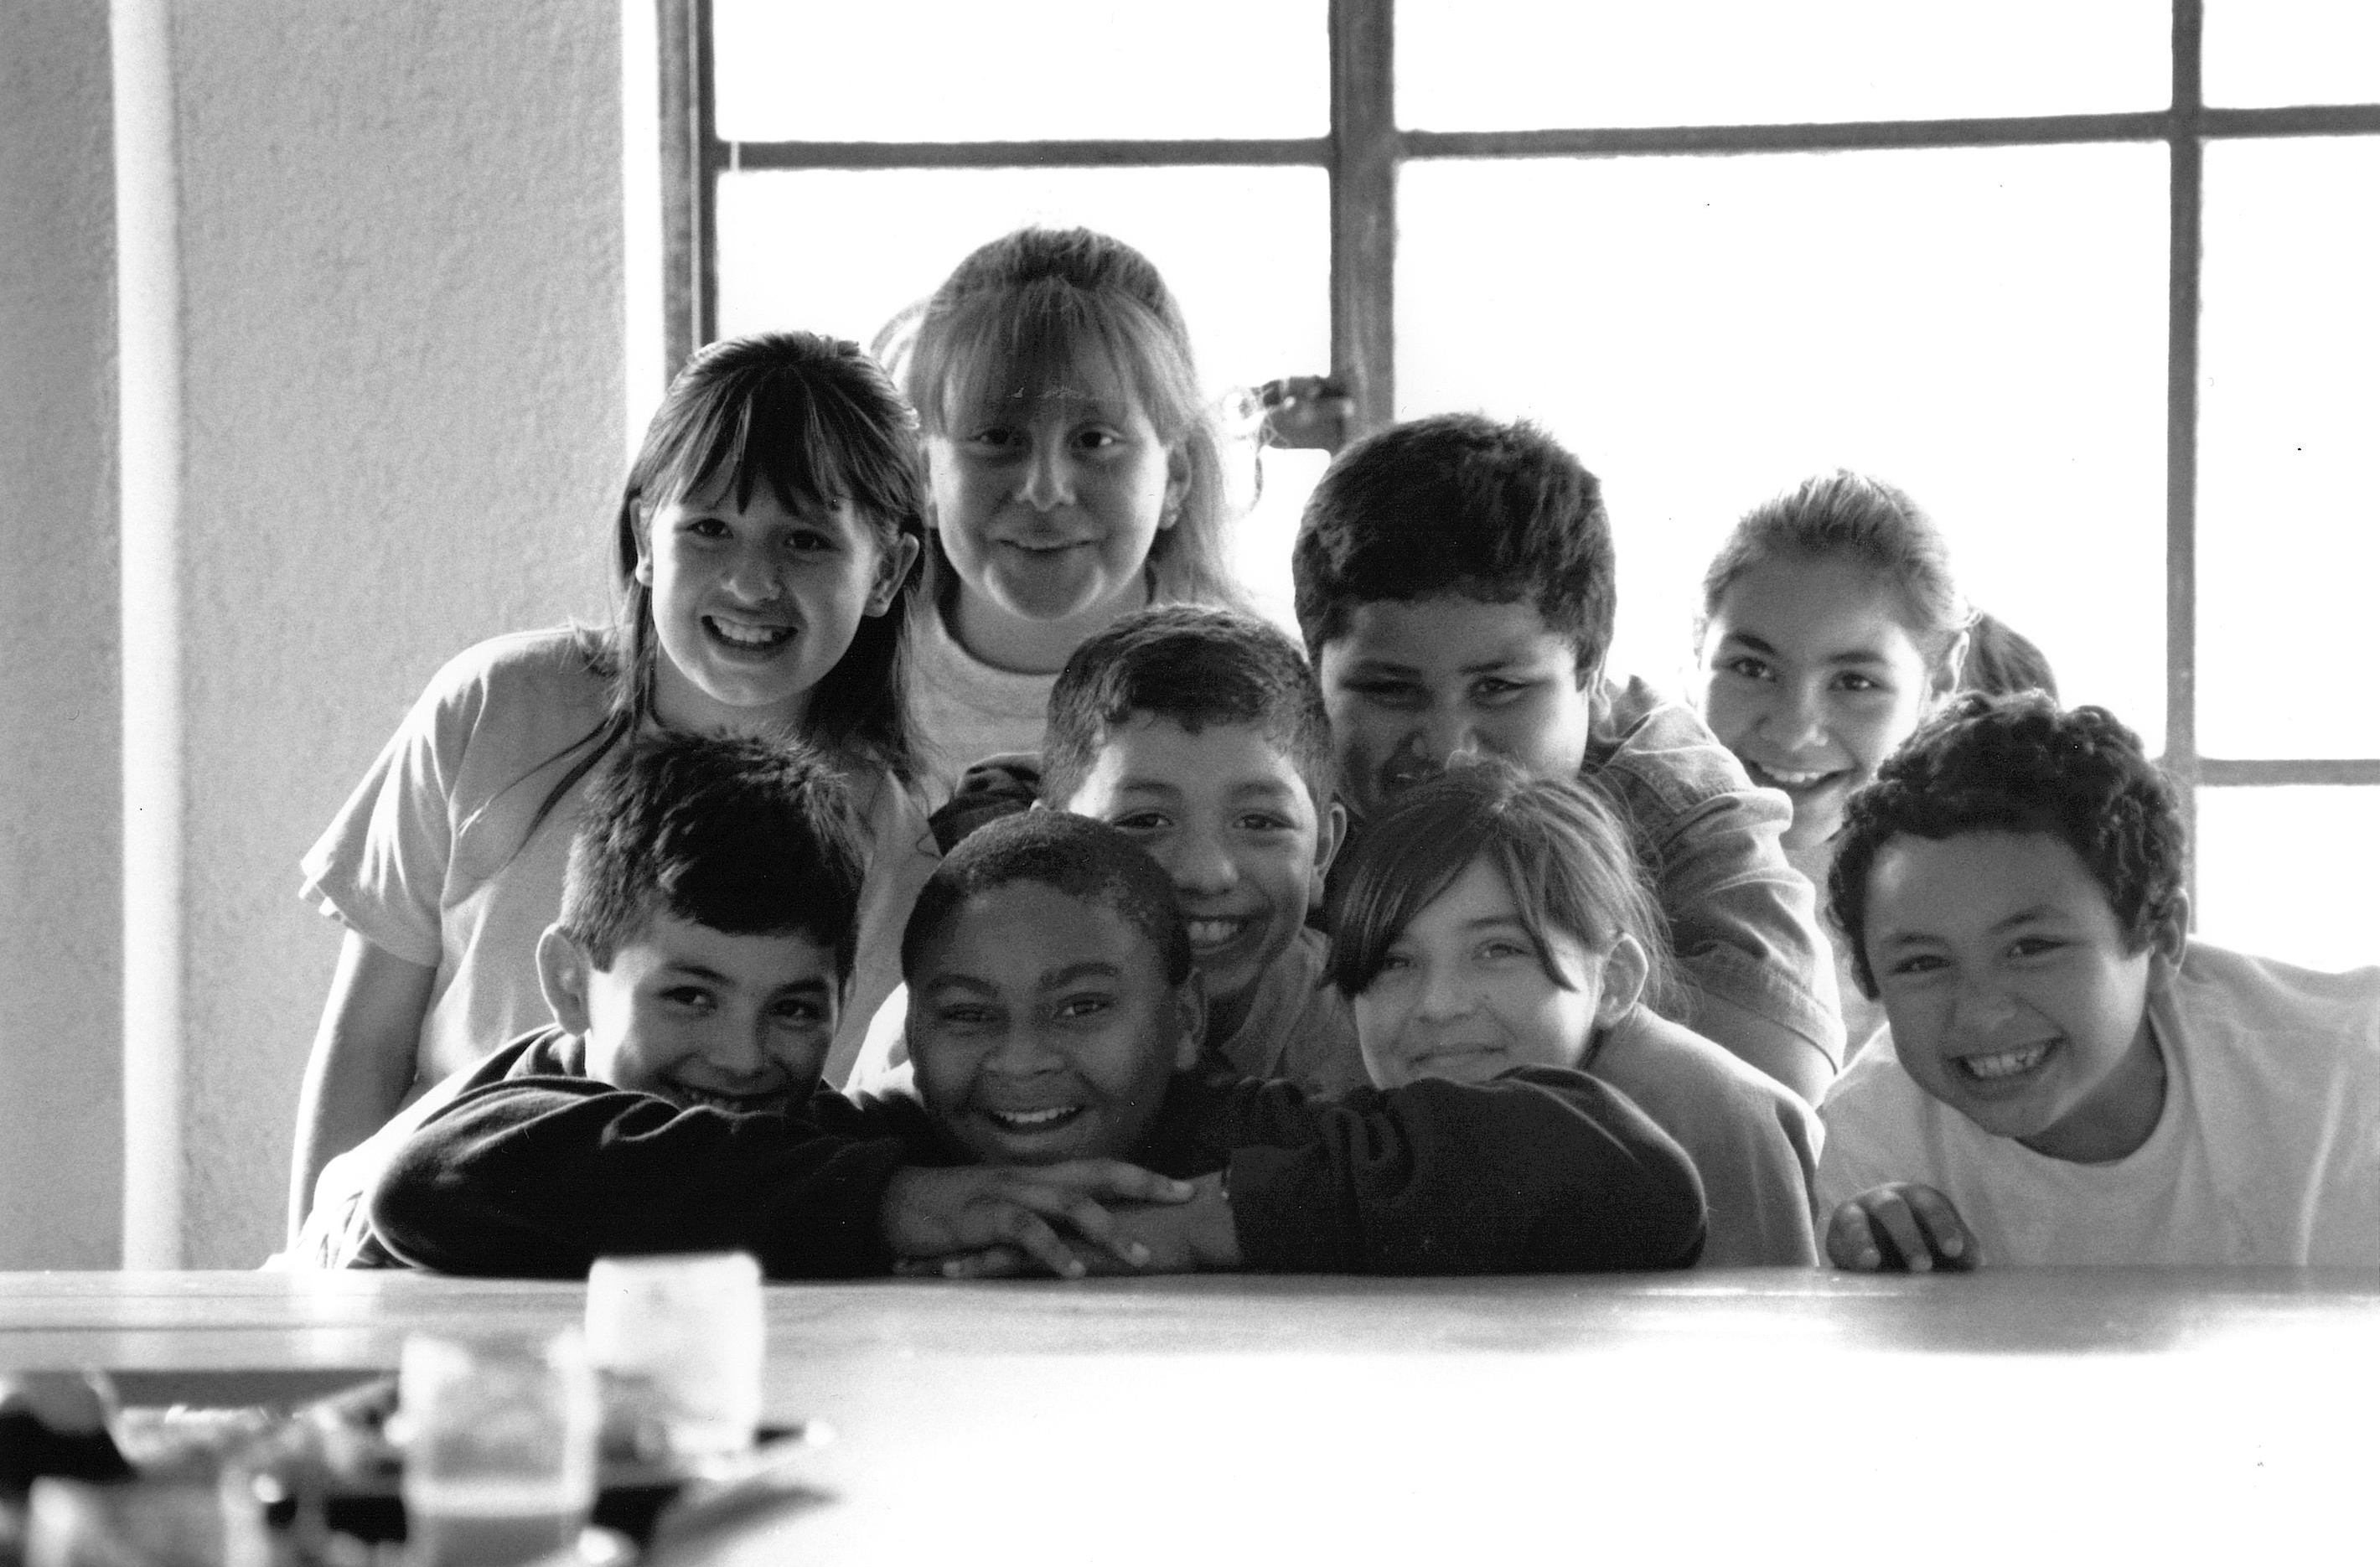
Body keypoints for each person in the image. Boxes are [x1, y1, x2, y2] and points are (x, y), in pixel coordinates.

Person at [362, 808, 1708, 1278]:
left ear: (1183, 1022)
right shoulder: (881, 1152)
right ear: (901, 1026)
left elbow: (1628, 1171)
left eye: (1080, 1006)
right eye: (964, 1015)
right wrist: (896, 1200)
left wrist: (1216, 1223)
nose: (1019, 1065)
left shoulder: (1241, 1138)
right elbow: (437, 1173)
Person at [287, 332, 940, 1243]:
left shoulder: (895, 850)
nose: (752, 580)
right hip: (417, 1245)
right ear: (644, 536)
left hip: (667, 1263)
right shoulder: (496, 710)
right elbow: (366, 1044)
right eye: (709, 528)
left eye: (804, 540)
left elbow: (783, 1130)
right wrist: (315, 1286)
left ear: (890, 573)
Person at [1292, 413, 1843, 1104]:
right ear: (1315, 674)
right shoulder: (1271, 783)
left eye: (1498, 689)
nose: (1448, 747)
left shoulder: (1666, 796)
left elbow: (1780, 1075)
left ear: (1591, 672)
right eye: (1389, 690)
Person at [1815, 694, 2380, 1270]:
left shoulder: (2348, 1077)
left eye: (2031, 948)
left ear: (2161, 942)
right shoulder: (1875, 1144)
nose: (1979, 1013)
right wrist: (1881, 1295)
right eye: (1922, 964)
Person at [846, 603, 1367, 1096]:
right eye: (1144, 822)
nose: (1205, 874)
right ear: (1044, 847)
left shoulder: (1368, 1040)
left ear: (1322, 851)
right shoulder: (945, 1022)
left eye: (1259, 821)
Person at [1328, 763, 1822, 1266]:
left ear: (1614, 981)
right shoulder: (1362, 1102)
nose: (1437, 1004)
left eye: (1498, 950)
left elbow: (1760, 1337)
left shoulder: (1704, 1116)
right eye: (1394, 961)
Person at [895, 227, 1247, 803]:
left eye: (1094, 439)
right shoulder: (856, 691)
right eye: (998, 437)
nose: (1044, 491)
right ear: (926, 474)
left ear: (1175, 477)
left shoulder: (1258, 687)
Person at [1691, 471, 1970, 1055]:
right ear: (1699, 644)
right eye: (1752, 669)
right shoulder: (1605, 851)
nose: (1794, 732)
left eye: (1854, 682)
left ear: (1941, 677)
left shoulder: (1977, 901)